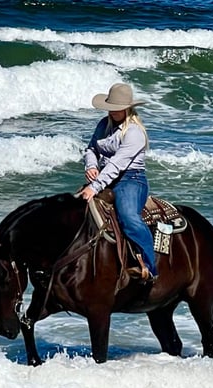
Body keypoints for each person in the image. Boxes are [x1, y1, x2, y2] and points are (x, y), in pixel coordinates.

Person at [78, 82, 158, 282]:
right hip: (105, 176)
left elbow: (117, 164)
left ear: (128, 108)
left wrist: (94, 187)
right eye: (111, 108)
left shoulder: (134, 133)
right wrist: (91, 166)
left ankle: (150, 266)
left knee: (129, 218)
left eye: (117, 109)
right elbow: (91, 149)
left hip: (130, 179)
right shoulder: (103, 125)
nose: (112, 112)